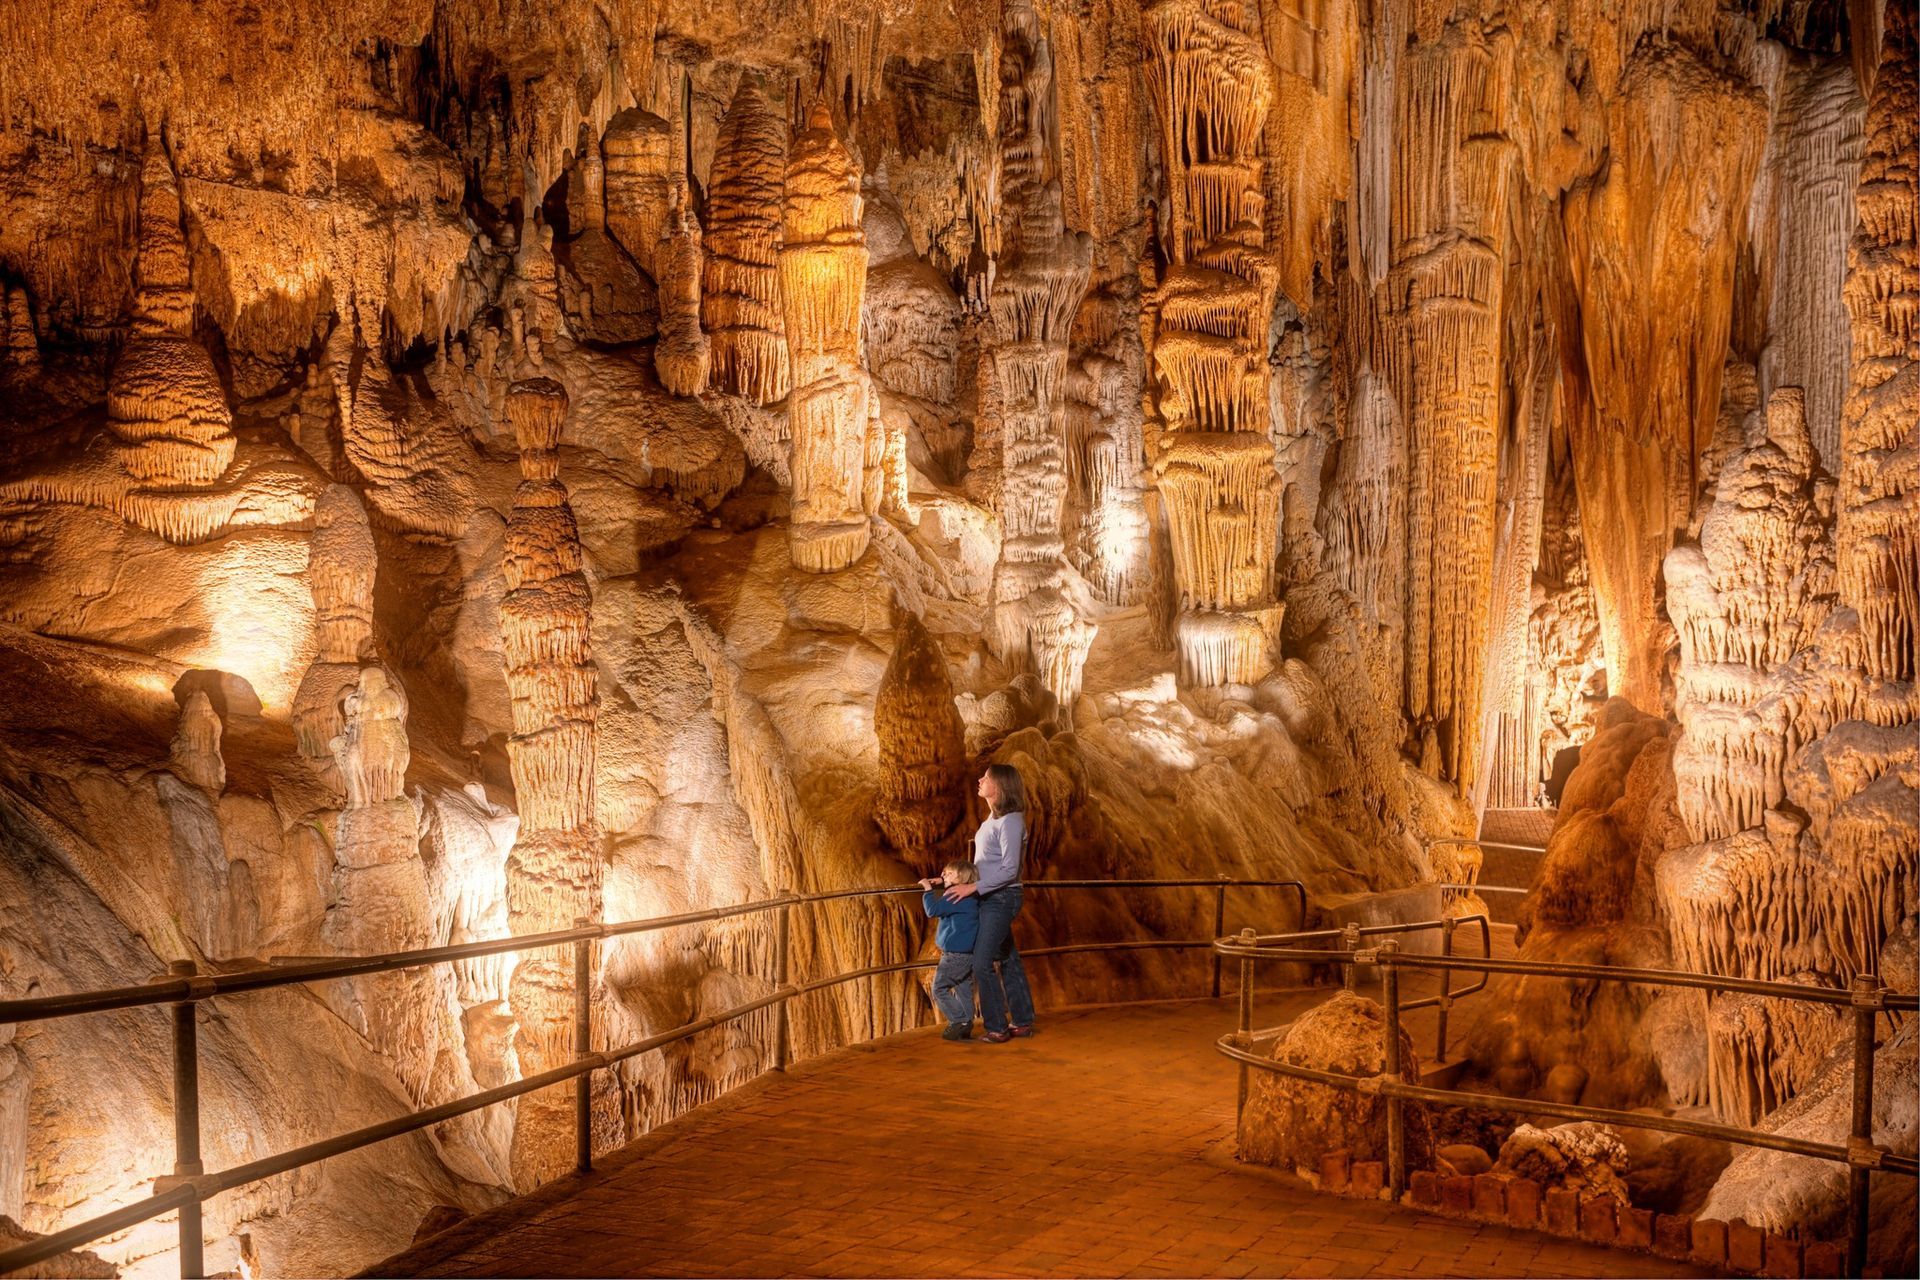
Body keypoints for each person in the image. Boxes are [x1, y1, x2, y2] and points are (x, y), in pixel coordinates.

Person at [943, 763, 1036, 1043]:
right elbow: (983, 863)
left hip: (1002, 897)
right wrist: (951, 878)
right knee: (1008, 959)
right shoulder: (992, 820)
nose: (980, 780)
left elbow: (1009, 870)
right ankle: (1022, 1021)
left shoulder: (1010, 821)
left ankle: (997, 1027)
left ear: (1001, 786)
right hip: (990, 895)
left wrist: (972, 887)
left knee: (982, 962)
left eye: (987, 777)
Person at [917, 859, 981, 1041]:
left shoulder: (954, 895)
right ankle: (966, 1024)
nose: (944, 875)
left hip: (954, 955)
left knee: (939, 988)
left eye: (949, 873)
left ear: (962, 878)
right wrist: (942, 880)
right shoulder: (970, 897)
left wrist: (928, 889)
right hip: (967, 954)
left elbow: (932, 910)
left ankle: (959, 1020)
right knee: (963, 989)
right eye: (943, 872)